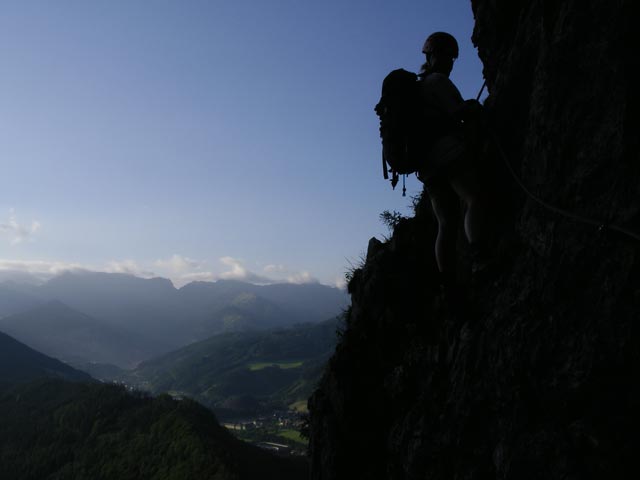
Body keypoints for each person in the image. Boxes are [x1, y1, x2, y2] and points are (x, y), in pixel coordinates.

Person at [417, 32, 492, 292]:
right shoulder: (438, 82)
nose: (450, 62)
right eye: (447, 57)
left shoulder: (420, 86)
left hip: (426, 166)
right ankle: (481, 258)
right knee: (474, 199)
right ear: (435, 56)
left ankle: (447, 283)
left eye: (451, 58)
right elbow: (459, 112)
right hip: (447, 153)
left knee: (445, 222)